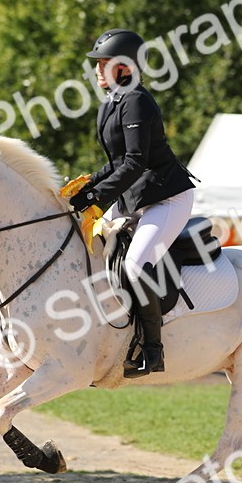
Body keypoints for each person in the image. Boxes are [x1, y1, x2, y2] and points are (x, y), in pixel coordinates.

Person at [66, 29, 196, 378]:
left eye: (104, 62)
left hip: (165, 198)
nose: (97, 68)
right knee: (89, 248)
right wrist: (84, 187)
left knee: (136, 264)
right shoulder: (111, 102)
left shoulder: (137, 100)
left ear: (124, 67)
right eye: (98, 63)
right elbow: (116, 163)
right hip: (134, 198)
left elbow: (135, 162)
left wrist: (95, 197)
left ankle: (152, 351)